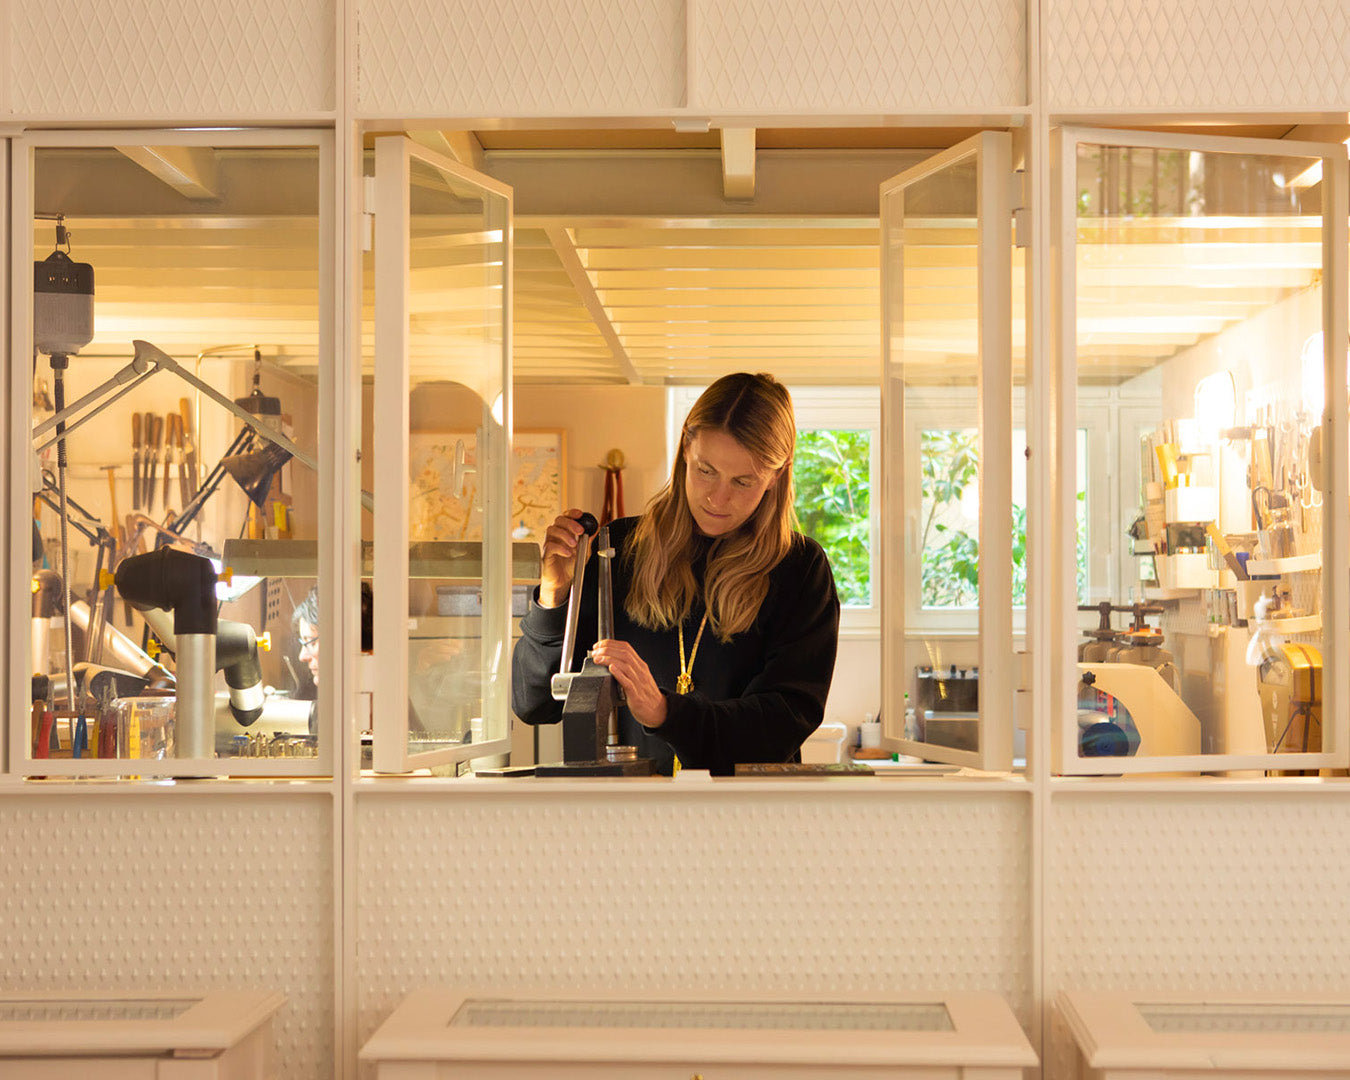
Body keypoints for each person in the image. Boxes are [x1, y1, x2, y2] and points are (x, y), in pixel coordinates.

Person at [511, 372, 840, 776]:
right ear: (686, 446)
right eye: (706, 470)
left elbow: (782, 722)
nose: (719, 499)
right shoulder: (618, 548)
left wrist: (666, 712)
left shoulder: (801, 568)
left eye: (743, 481)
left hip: (751, 820)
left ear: (777, 475)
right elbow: (535, 703)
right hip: (638, 819)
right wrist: (554, 596)